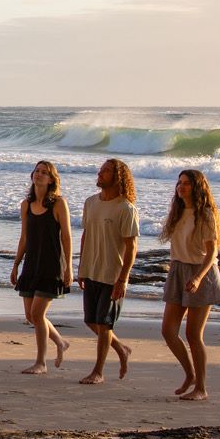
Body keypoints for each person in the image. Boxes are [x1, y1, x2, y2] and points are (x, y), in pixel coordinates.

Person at [159, 169, 220, 401]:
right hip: (178, 270)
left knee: (193, 334)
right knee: (168, 331)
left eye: (187, 183)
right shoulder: (178, 212)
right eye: (179, 183)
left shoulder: (205, 214)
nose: (181, 187)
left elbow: (212, 252)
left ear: (197, 187)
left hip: (200, 273)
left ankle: (201, 387)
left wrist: (198, 278)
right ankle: (189, 374)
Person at [75, 158, 139, 384]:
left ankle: (98, 372)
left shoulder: (125, 208)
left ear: (118, 177)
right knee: (90, 320)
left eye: (106, 171)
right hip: (91, 269)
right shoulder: (90, 202)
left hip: (113, 274)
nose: (100, 174)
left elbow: (131, 246)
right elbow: (86, 235)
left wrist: (123, 279)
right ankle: (121, 348)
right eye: (100, 170)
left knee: (104, 324)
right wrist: (81, 267)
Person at [9, 160, 75, 374]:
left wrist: (69, 268)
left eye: (44, 172)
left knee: (37, 314)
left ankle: (41, 362)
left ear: (51, 179)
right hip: (31, 264)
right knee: (31, 316)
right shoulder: (26, 205)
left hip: (51, 264)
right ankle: (60, 342)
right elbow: (24, 238)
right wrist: (16, 265)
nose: (39, 175)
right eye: (37, 171)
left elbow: (66, 236)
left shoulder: (58, 203)